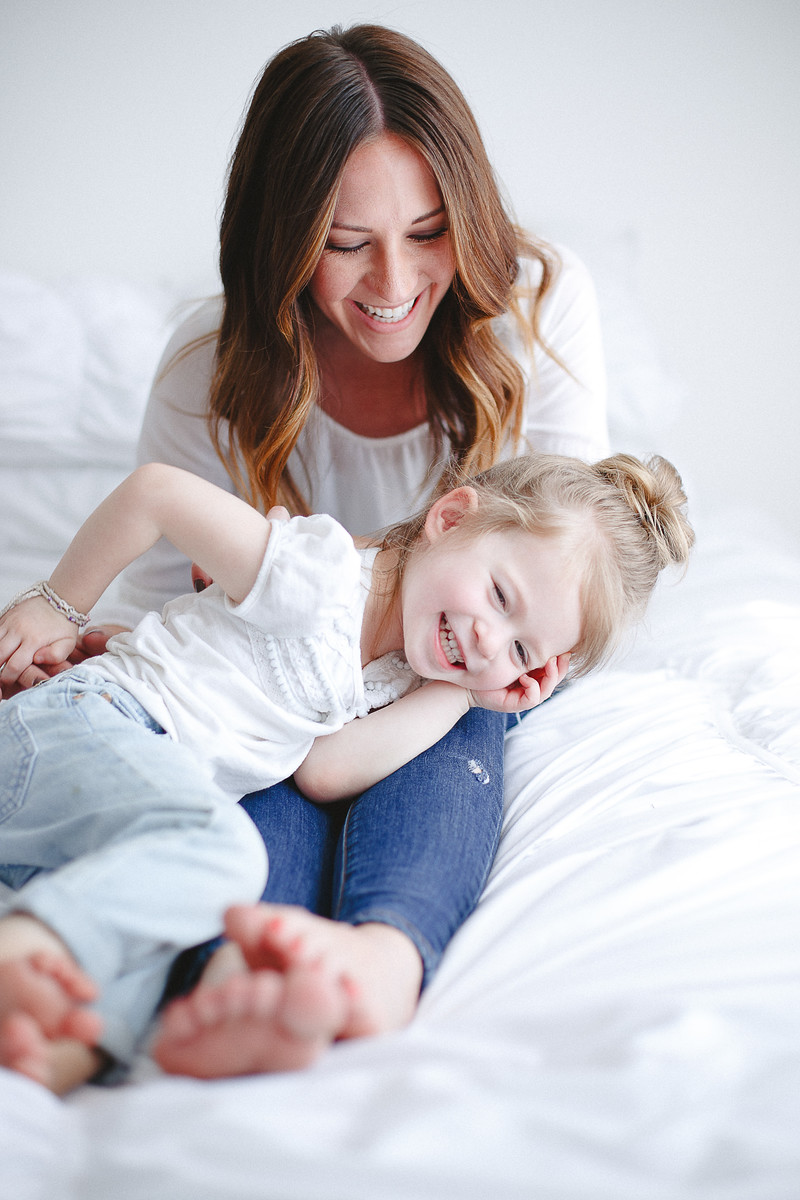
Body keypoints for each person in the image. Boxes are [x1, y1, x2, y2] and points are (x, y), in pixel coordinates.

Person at [4, 25, 610, 1067]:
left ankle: (382, 955)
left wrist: (485, 667)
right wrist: (80, 631)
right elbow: (161, 589)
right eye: (345, 242)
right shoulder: (213, 365)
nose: (393, 280)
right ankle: (229, 982)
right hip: (266, 693)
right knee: (245, 772)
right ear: (283, 237)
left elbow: (571, 572)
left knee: (467, 689)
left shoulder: (535, 313)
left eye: (429, 232)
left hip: (395, 691)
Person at [0, 451, 693, 1092]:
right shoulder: (317, 574)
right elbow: (157, 492)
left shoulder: (400, 676)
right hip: (91, 723)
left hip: (110, 810)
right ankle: (20, 951)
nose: (489, 640)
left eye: (521, 650)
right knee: (223, 853)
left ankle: (52, 1057)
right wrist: (58, 605)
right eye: (500, 596)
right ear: (451, 518)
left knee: (149, 947)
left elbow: (325, 773)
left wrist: (465, 695)